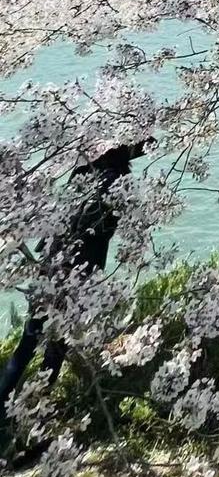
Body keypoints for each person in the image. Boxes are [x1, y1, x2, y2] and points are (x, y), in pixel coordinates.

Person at [0, 140, 148, 421]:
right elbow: (97, 231)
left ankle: (7, 406)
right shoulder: (121, 183)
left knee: (28, 340)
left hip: (52, 265)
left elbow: (61, 219)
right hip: (80, 274)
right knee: (56, 346)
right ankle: (34, 412)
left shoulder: (82, 173)